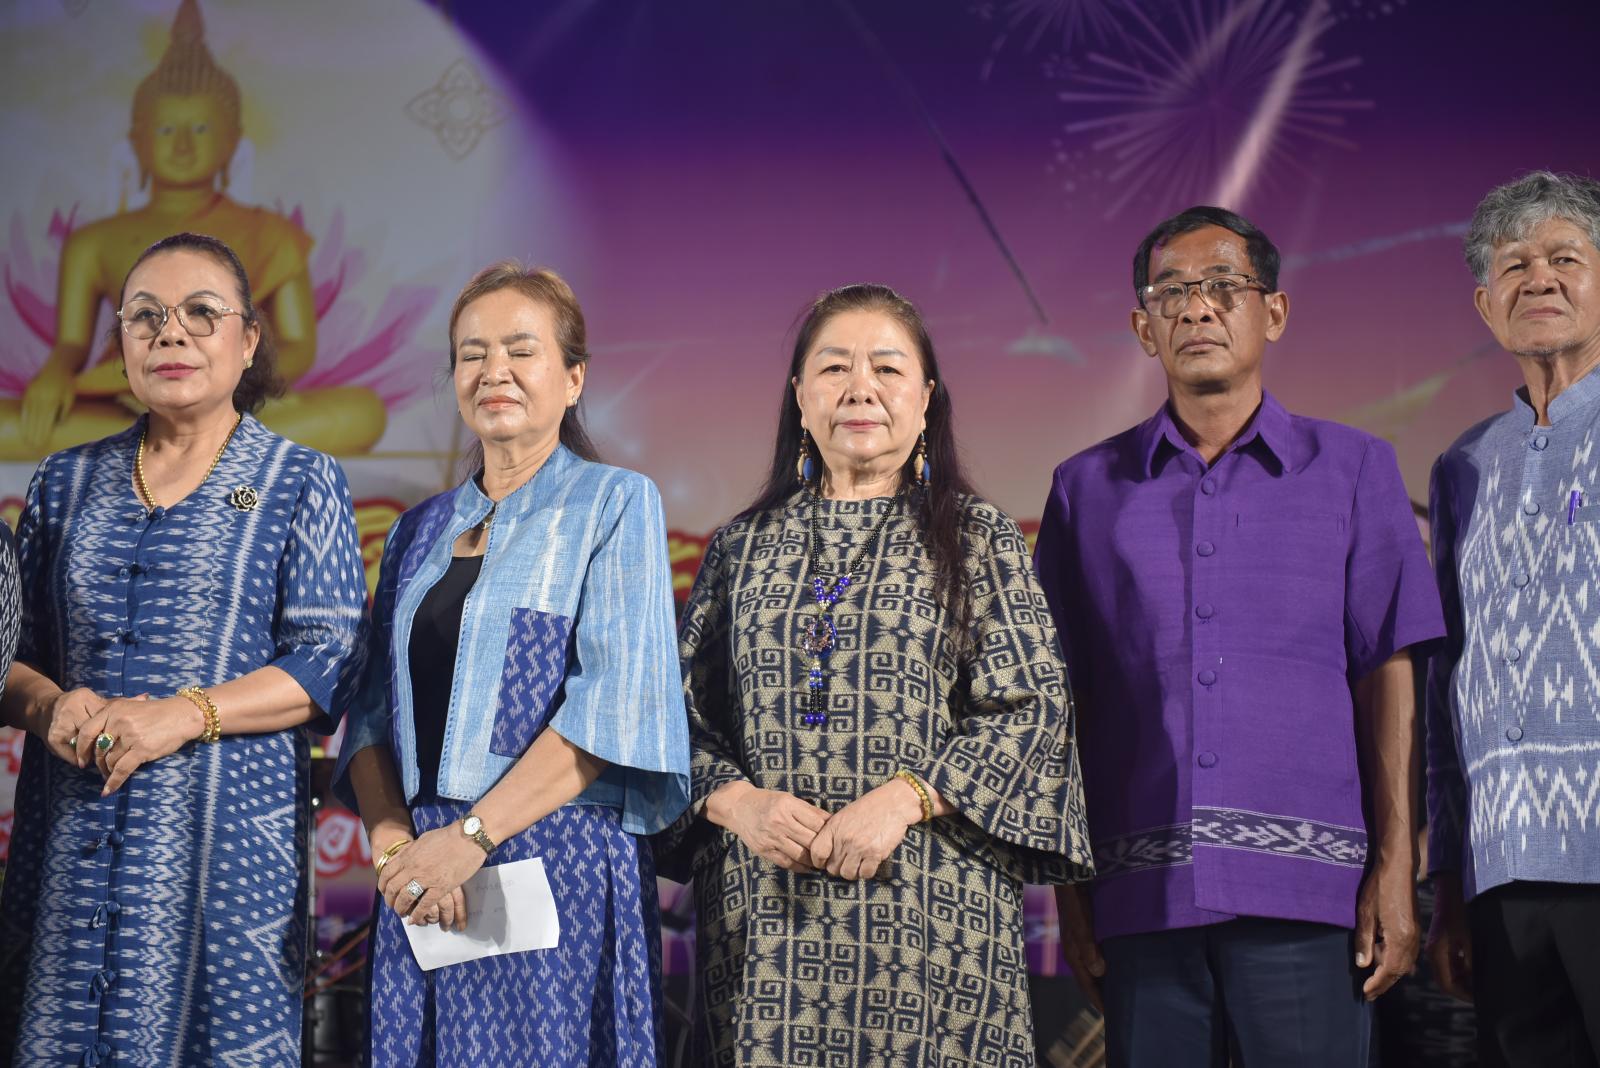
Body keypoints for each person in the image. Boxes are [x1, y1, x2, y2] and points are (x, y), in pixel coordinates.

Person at [1032, 206, 1445, 1067]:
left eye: (1223, 285)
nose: (1197, 307)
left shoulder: (1354, 469)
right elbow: (1062, 703)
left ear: (1274, 312)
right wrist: (1073, 890)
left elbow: (1388, 675)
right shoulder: (1085, 489)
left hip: (1311, 896)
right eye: (1171, 292)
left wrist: (1395, 867)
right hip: (1140, 897)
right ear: (1144, 328)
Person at [666, 283, 1093, 1066]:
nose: (860, 388)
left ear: (926, 399)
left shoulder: (978, 539)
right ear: (800, 395)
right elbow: (673, 723)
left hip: (933, 919)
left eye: (887, 369)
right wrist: (740, 803)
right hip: (765, 927)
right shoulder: (739, 548)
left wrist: (906, 799)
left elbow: (1034, 709)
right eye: (834, 367)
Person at [0, 231, 368, 1064]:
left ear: (248, 341)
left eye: (202, 312)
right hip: (71, 844)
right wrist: (50, 705)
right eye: (145, 316)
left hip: (224, 853)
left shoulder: (299, 480)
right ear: (122, 344)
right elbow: (11, 657)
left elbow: (328, 661)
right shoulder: (62, 481)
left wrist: (184, 714)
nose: (171, 332)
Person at [334, 262, 690, 1066]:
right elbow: (373, 716)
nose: (494, 370)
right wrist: (397, 855)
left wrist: (471, 836)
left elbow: (613, 709)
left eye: (521, 351)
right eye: (473, 354)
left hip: (554, 862)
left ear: (574, 379)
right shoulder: (417, 531)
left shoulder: (614, 502)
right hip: (424, 877)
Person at [0, 0, 385, 459]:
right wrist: (56, 376)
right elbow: (71, 343)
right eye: (166, 131)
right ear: (138, 142)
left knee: (361, 412)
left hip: (236, 401)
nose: (182, 146)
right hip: (125, 400)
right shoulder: (93, 243)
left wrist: (232, 380)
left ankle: (196, 442)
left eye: (200, 129)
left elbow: (299, 344)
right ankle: (195, 447)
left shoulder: (271, 233)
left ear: (231, 142)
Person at [1425, 170, 1600, 1066]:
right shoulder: (1464, 465)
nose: (1540, 278)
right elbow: (1446, 679)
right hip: (1501, 872)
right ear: (1485, 305)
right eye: (1515, 264)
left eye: (1565, 257)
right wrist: (1447, 880)